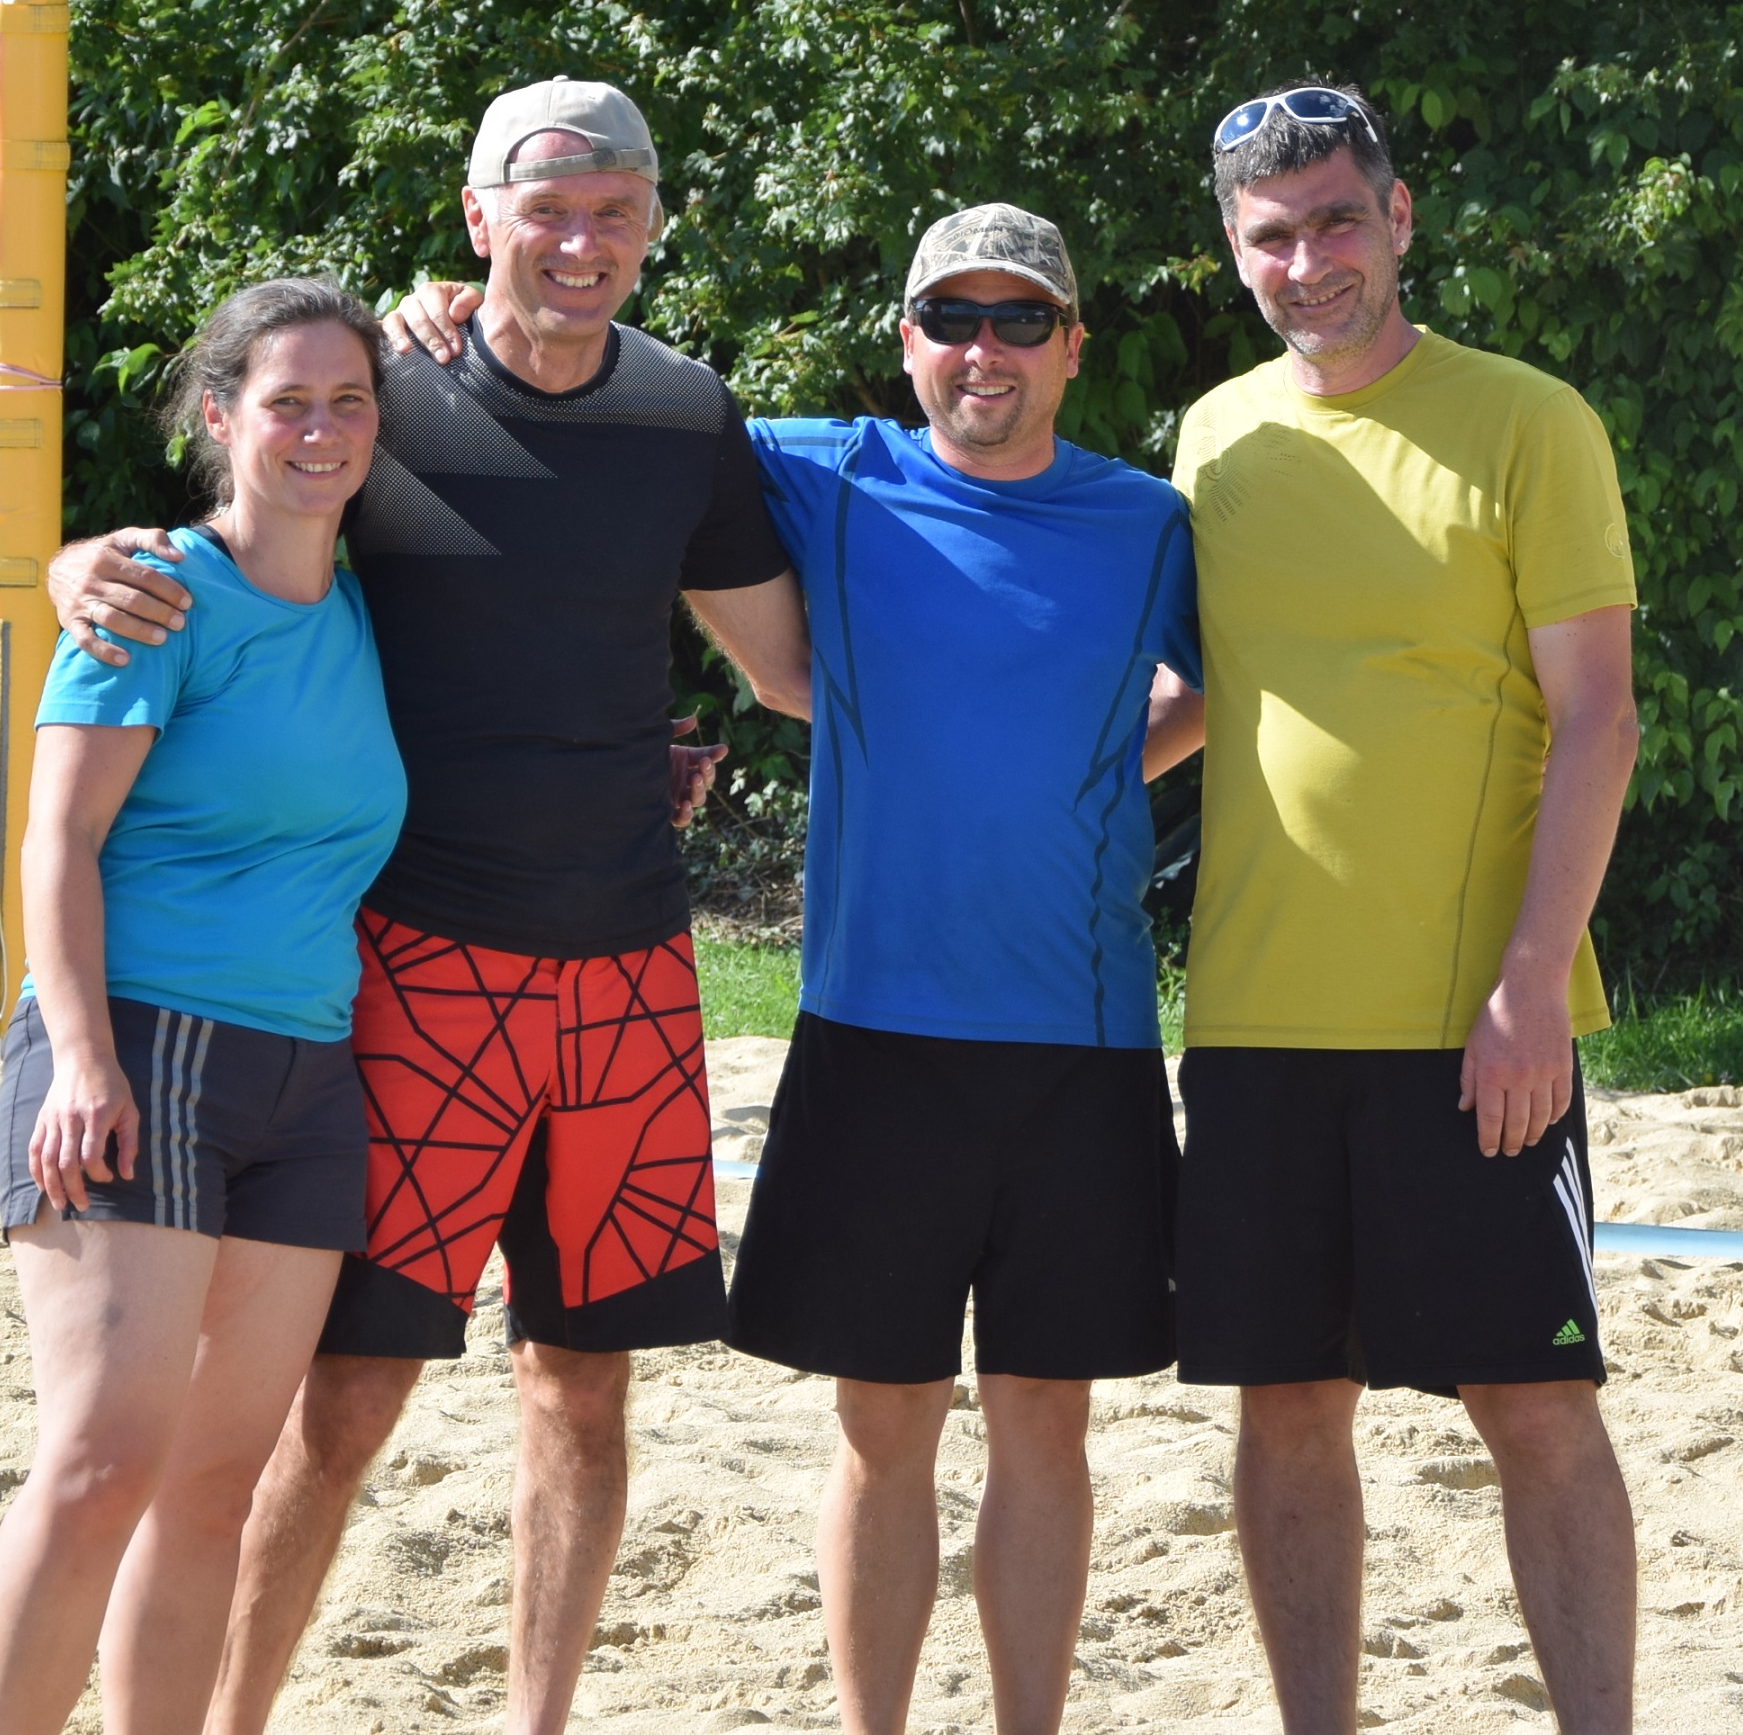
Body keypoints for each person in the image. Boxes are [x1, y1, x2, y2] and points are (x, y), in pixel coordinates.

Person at [44, 80, 808, 1735]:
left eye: (615, 211)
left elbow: (791, 669)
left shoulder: (687, 413)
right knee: (344, 1399)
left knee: (583, 1389)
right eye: (549, 210)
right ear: (479, 218)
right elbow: (235, 527)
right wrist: (74, 562)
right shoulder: (387, 394)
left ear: (654, 222)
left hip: (630, 966)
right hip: (413, 970)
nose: (581, 242)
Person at [396, 202, 1203, 1735]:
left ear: (1072, 347)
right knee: (882, 1429)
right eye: (951, 318)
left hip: (1083, 1043)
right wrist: (461, 304)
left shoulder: (1151, 522)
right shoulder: (822, 470)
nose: (984, 350)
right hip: (872, 1038)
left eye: (1020, 319)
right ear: (905, 342)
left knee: (1047, 1426)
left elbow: (1222, 681)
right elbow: (608, 403)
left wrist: (1104, 766)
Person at [1171, 83, 1647, 1735]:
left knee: (1535, 1404)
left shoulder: (1528, 420)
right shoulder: (1215, 437)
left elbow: (1600, 717)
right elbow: (1210, 692)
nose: (1309, 260)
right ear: (1235, 252)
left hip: (1472, 1028)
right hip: (1253, 1018)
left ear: (1400, 217)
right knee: (1287, 1409)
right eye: (1272, 235)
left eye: (1336, 221)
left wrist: (1532, 987)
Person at [0, 279, 410, 1735]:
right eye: (289, 402)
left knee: (217, 1487)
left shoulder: (366, 601)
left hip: (310, 1076)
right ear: (220, 417)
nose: (322, 430)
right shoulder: (156, 593)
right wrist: (83, 1059)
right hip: (144, 1042)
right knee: (102, 1466)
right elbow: (55, 841)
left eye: (349, 401)